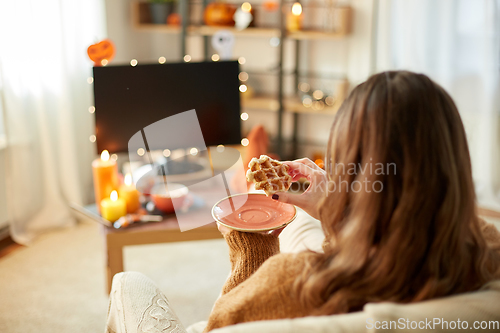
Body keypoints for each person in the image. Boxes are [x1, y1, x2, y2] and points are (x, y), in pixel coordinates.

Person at [203, 71, 500, 332]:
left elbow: (219, 326)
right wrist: (343, 216)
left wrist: (253, 249)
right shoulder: (486, 254)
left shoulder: (290, 284)